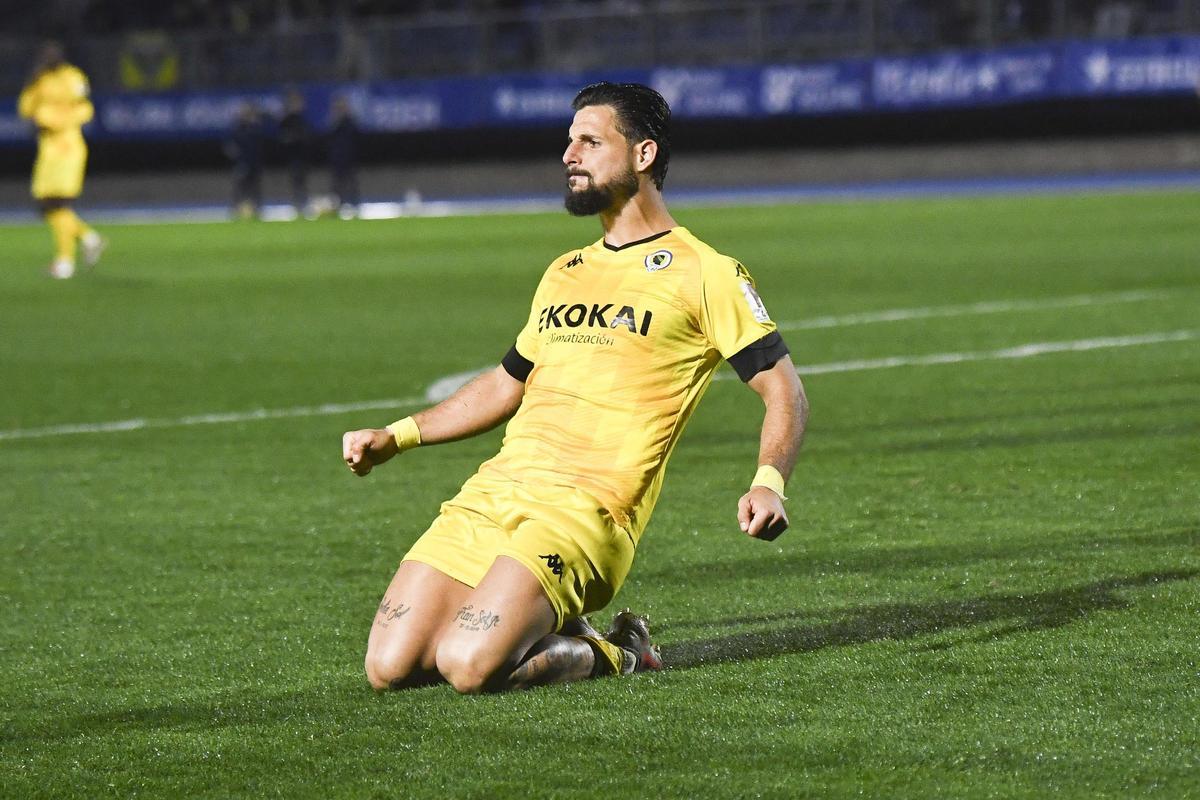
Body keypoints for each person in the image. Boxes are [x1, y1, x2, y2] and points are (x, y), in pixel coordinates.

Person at [342, 82, 808, 694]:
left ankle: (620, 651)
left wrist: (768, 482)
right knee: (389, 667)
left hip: (585, 515)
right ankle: (542, 616)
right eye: (569, 141)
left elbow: (785, 391)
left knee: (468, 666)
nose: (569, 154)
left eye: (590, 141)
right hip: (497, 493)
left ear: (643, 154)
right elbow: (505, 384)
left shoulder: (706, 273)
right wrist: (396, 436)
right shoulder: (566, 271)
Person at [18, 41, 106, 280]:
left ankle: (65, 262)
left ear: (61, 57)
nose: (49, 58)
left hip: (68, 145)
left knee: (58, 204)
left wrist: (57, 120)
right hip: (48, 147)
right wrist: (30, 84)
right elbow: (25, 109)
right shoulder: (40, 79)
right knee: (47, 205)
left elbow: (85, 109)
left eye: (52, 55)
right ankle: (88, 239)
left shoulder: (73, 77)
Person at [224, 102, 264, 220]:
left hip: (254, 164)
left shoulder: (257, 128)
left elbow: (260, 146)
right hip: (242, 163)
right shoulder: (238, 129)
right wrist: (236, 155)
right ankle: (236, 209)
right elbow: (229, 146)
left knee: (254, 188)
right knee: (240, 187)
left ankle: (256, 209)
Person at [278, 88, 312, 216]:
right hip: (293, 157)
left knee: (302, 181)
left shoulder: (304, 119)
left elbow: (308, 137)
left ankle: (303, 205)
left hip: (303, 156)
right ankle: (297, 205)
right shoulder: (287, 120)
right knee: (296, 181)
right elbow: (282, 138)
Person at [326, 95, 360, 218]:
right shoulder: (334, 123)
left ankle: (355, 206)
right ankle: (337, 206)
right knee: (337, 184)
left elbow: (356, 136)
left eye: (342, 107)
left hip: (349, 157)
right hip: (337, 158)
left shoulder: (350, 122)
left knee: (351, 182)